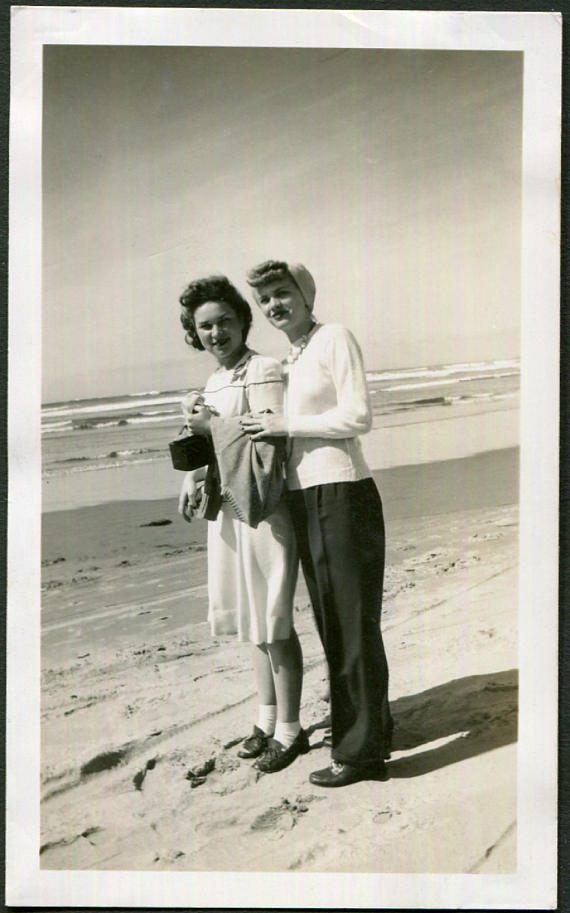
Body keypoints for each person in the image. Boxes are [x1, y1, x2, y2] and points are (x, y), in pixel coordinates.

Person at [241, 260, 392, 788]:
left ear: (306, 293)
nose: (273, 306)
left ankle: (362, 753)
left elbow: (358, 417)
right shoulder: (295, 354)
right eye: (264, 300)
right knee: (336, 624)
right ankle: (369, 732)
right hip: (308, 497)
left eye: (282, 293)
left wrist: (287, 425)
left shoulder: (334, 338)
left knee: (352, 626)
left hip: (343, 493)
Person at [177, 275, 308, 773]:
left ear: (242, 321)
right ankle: (266, 719)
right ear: (195, 333)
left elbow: (271, 444)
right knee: (252, 624)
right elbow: (217, 445)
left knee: (274, 620)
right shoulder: (214, 381)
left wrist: (213, 428)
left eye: (224, 321)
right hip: (230, 511)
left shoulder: (264, 369)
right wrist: (193, 474)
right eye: (204, 326)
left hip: (267, 511)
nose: (215, 333)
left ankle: (291, 731)